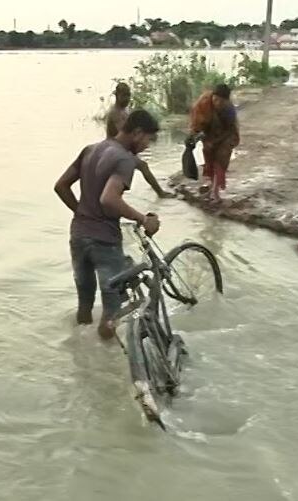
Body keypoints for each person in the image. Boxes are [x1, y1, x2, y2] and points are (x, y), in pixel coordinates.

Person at [55, 109, 161, 340]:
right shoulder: (124, 159)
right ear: (137, 132)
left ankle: (83, 360)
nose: (147, 146)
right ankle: (107, 366)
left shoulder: (91, 150)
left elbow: (61, 186)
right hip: (104, 242)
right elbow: (109, 198)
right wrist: (143, 219)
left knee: (85, 305)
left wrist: (82, 212)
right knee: (111, 314)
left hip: (78, 236)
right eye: (148, 140)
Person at [106, 83, 173, 198]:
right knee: (142, 166)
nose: (127, 99)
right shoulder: (115, 113)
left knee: (141, 166)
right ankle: (160, 193)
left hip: (122, 148)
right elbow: (122, 133)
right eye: (124, 96)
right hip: (115, 149)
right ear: (117, 95)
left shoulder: (124, 111)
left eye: (128, 95)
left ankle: (160, 193)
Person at [190, 84, 240, 201]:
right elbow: (196, 125)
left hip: (226, 133)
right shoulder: (202, 105)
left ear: (226, 101)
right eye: (215, 99)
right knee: (208, 154)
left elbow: (230, 130)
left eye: (221, 102)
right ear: (212, 96)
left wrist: (218, 141)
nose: (217, 103)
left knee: (221, 156)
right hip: (208, 131)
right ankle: (211, 185)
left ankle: (215, 191)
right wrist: (196, 138)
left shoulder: (229, 110)